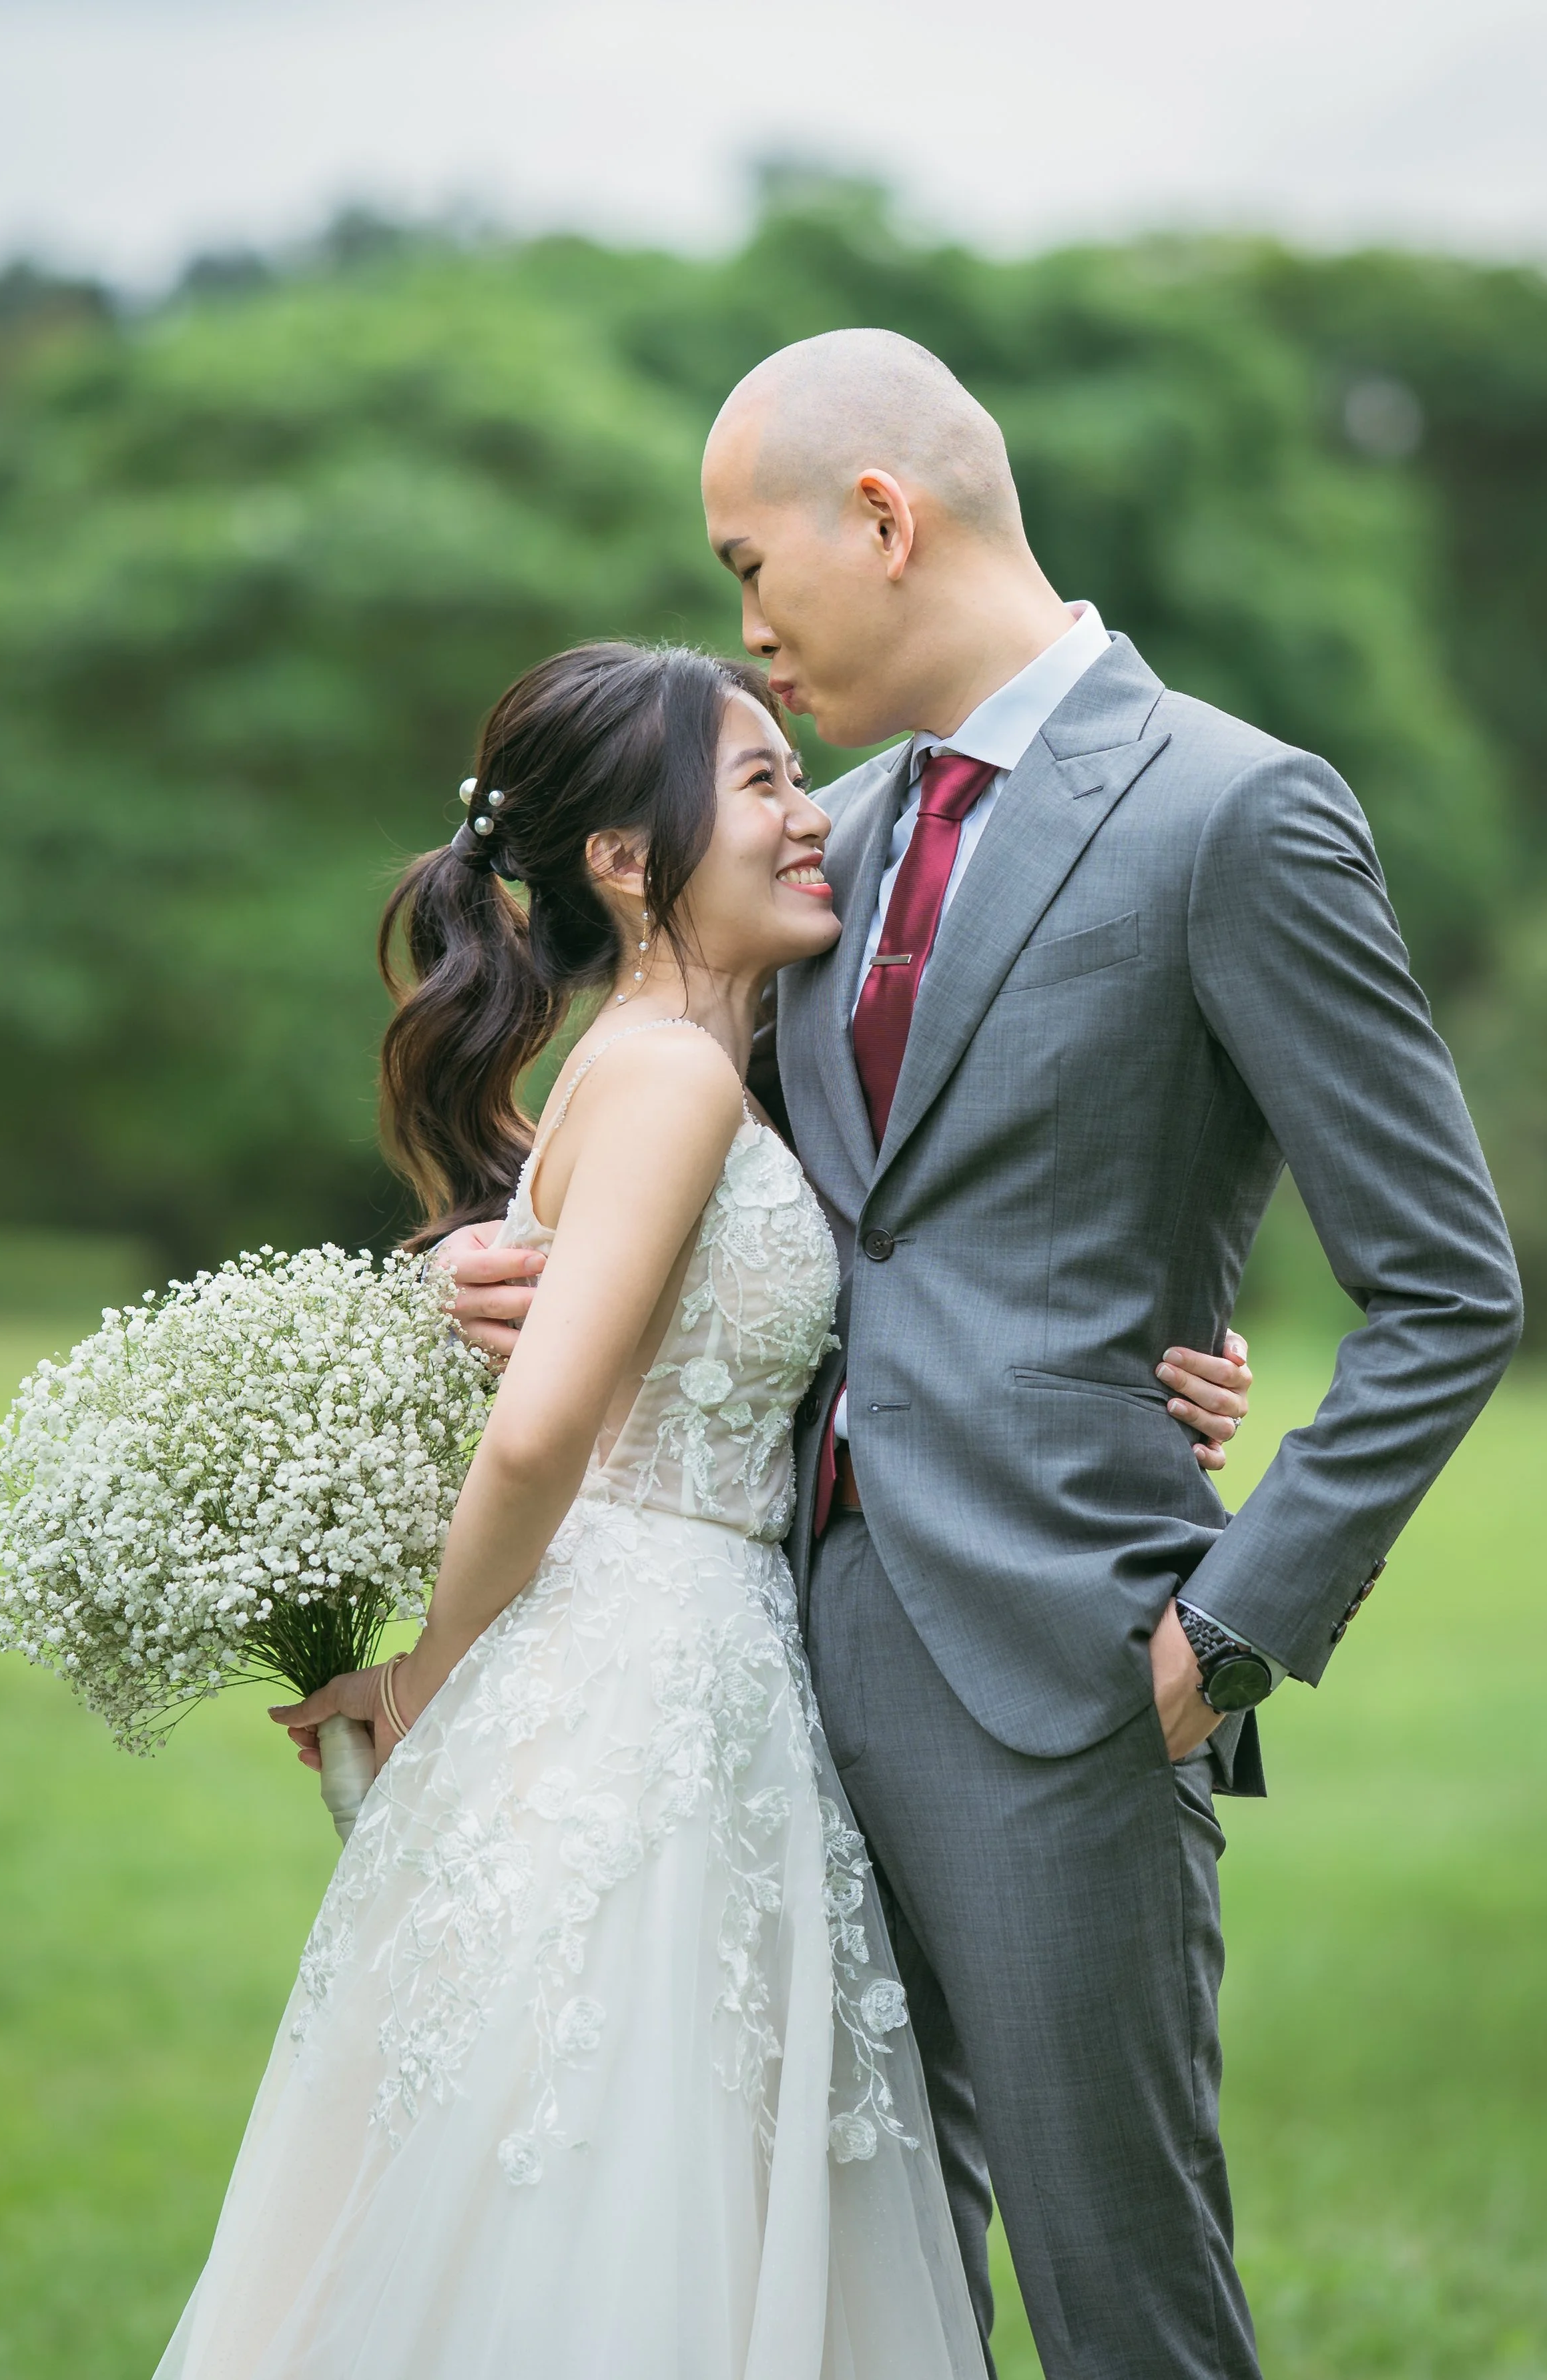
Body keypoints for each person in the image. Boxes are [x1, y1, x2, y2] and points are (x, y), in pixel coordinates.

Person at [442, 332, 1524, 2380]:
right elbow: (687, 1160)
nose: (746, 640)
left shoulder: (1234, 811)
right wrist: (492, 1272)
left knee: (1125, 2307)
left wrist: (1229, 1630)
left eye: (753, 568)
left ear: (885, 518)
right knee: (854, 2301)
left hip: (1075, 1681)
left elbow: (1450, 1284)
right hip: (761, 1685)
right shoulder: (805, 845)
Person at [156, 639, 1245, 2380]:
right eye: (758, 780)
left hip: (692, 1676)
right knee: (623, 2180)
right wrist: (430, 1675)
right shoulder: (666, 1076)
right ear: (621, 857)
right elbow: (540, 1435)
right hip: (643, 1683)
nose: (810, 813)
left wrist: (1153, 1357)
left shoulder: (700, 1065)